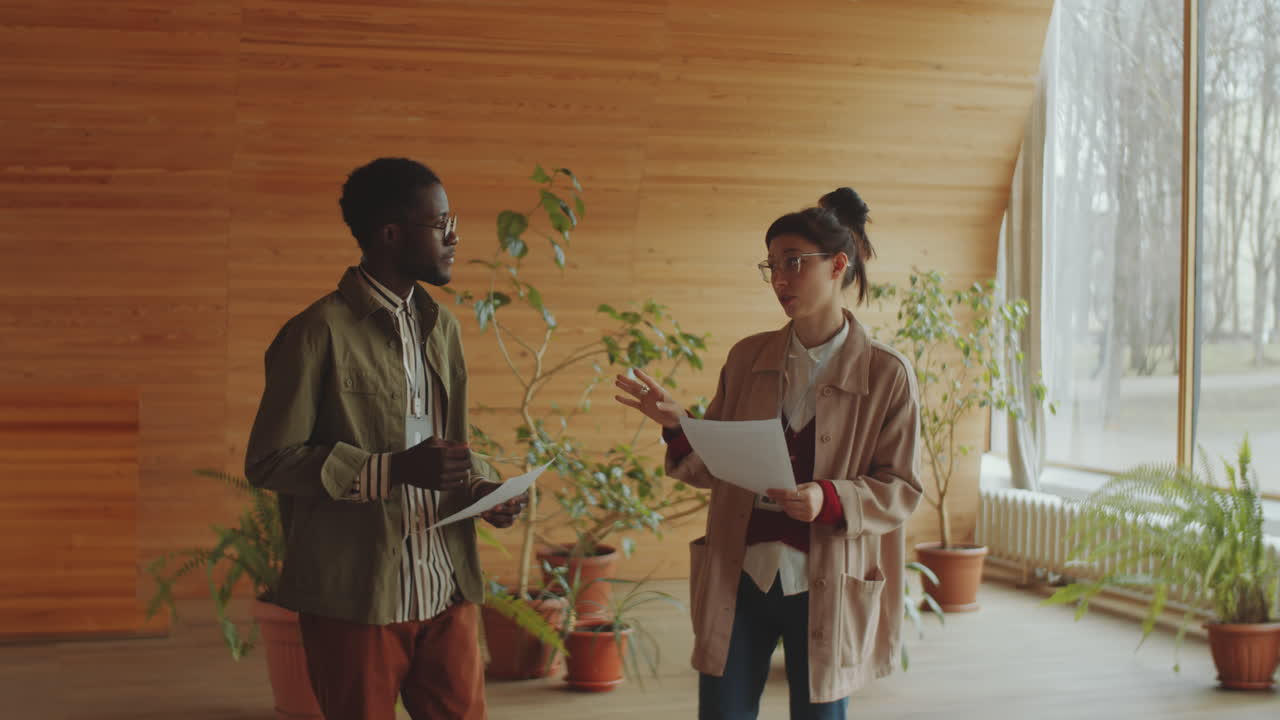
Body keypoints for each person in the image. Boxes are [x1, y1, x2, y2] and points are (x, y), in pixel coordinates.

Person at [615, 188, 921, 719]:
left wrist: (827, 499)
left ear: (838, 265)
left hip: (828, 581)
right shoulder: (747, 358)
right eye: (772, 265)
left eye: (794, 262)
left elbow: (900, 489)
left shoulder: (887, 374)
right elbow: (716, 467)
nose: (780, 279)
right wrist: (681, 427)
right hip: (741, 575)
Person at [245, 157, 527, 720]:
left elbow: (439, 448)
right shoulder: (315, 333)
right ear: (391, 233)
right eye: (440, 223)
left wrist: (479, 491)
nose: (454, 237)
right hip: (358, 598)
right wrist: (392, 470)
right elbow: (270, 462)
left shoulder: (442, 329)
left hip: (445, 586)